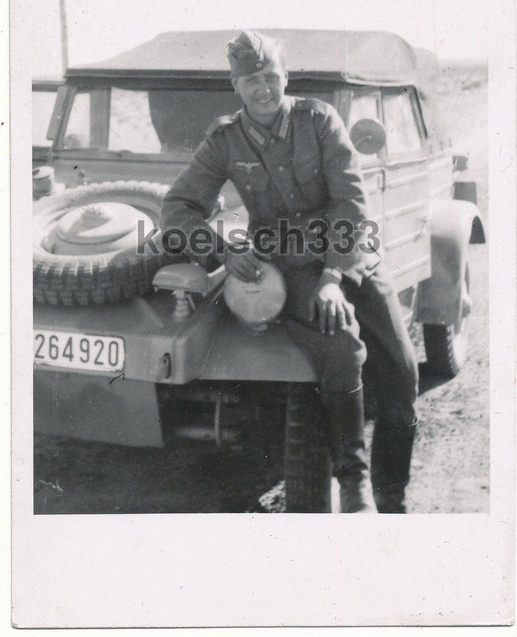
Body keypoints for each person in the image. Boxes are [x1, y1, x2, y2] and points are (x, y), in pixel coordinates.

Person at [161, 30, 418, 513]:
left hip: (348, 255)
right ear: (235, 84)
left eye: (271, 76)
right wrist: (220, 251)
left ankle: (393, 496)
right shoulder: (224, 138)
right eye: (251, 79)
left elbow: (351, 199)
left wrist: (334, 279)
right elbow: (176, 209)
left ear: (286, 76)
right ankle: (354, 483)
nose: (264, 88)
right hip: (291, 265)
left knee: (403, 371)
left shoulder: (319, 120)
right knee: (340, 344)